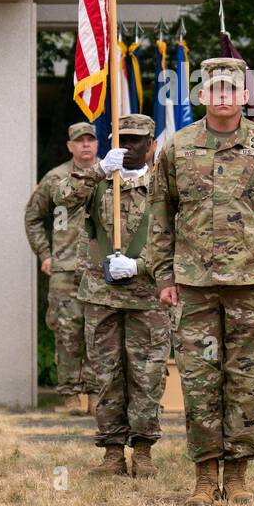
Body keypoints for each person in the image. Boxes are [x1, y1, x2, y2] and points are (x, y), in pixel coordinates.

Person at [148, 57, 254, 506]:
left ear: (244, 97)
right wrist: (163, 275)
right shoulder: (177, 148)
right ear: (202, 96)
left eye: (231, 90)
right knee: (199, 381)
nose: (222, 97)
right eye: (214, 89)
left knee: (246, 381)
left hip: (253, 284)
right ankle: (203, 476)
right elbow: (159, 216)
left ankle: (237, 475)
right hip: (194, 285)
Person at [54, 114, 168, 478]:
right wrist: (99, 170)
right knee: (105, 375)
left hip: (148, 296)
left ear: (152, 144)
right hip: (102, 295)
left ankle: (145, 449)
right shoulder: (101, 180)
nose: (130, 145)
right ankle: (112, 452)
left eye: (138, 140)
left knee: (147, 375)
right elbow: (62, 199)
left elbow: (179, 238)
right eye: (123, 139)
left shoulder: (165, 184)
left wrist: (141, 266)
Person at [24, 122, 99, 415]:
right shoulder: (55, 178)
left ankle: (96, 394)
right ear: (70, 146)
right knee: (67, 333)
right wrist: (44, 253)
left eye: (90, 140)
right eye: (79, 141)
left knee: (99, 333)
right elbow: (32, 216)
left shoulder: (110, 175)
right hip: (65, 269)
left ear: (97, 144)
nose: (85, 145)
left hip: (100, 269)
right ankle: (70, 395)